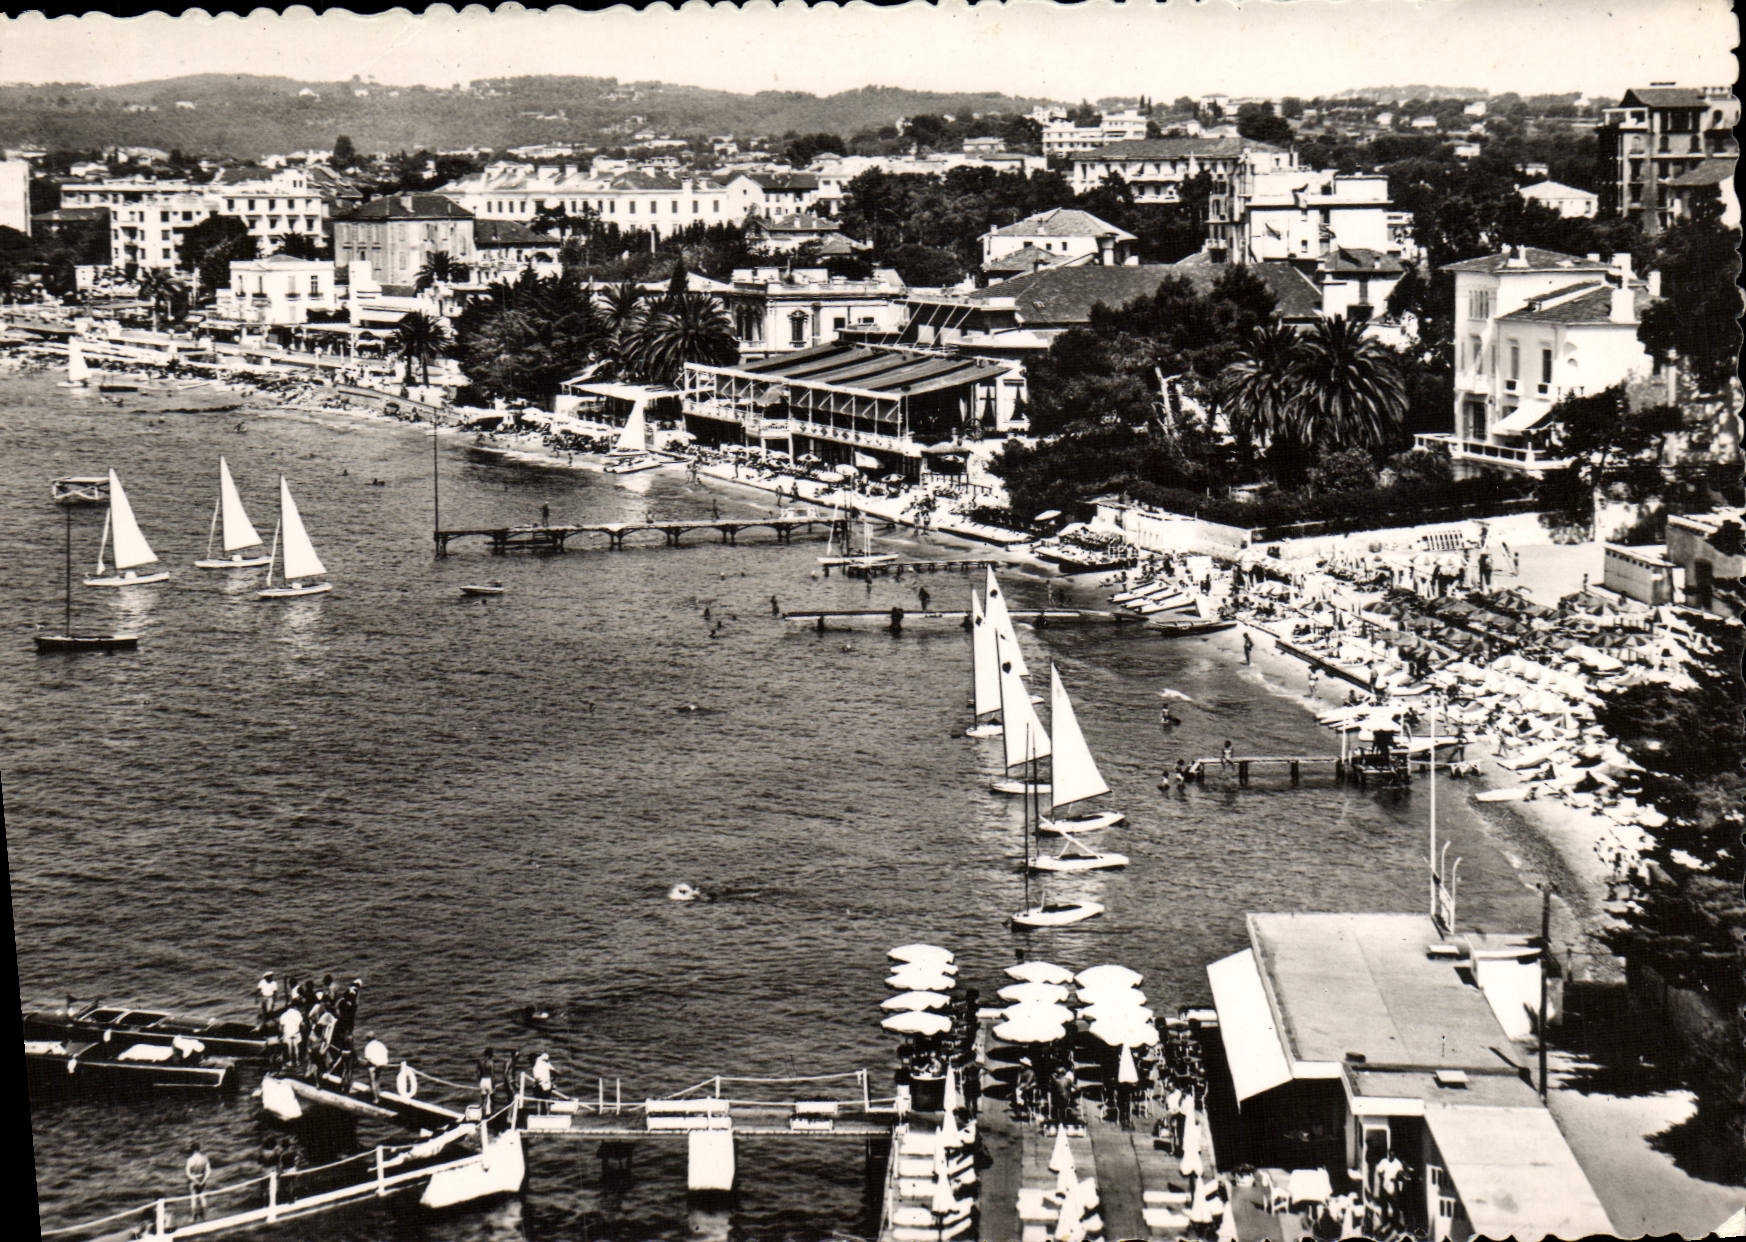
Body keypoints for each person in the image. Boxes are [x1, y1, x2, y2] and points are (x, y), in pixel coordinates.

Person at [184, 1142, 210, 1223]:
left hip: (193, 1180)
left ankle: (193, 1218)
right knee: (202, 1197)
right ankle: (205, 1216)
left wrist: (195, 1181)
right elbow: (208, 1171)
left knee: (193, 1199)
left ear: (192, 1150)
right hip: (202, 1179)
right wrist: (203, 1180)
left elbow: (188, 1173)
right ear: (199, 1149)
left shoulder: (190, 1160)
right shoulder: (204, 1158)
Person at [361, 1032, 390, 1102]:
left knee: (373, 1081)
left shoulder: (368, 1046)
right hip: (381, 1064)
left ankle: (376, 1098)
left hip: (373, 1065)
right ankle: (378, 1094)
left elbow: (368, 1058)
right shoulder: (380, 1044)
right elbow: (386, 1052)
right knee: (377, 1080)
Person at [279, 1003, 304, 1074]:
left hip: (287, 1033)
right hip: (296, 1033)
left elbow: (281, 1027)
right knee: (296, 1047)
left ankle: (290, 1061)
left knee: (289, 1047)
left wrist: (282, 1034)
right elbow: (302, 1024)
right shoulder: (298, 1013)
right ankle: (297, 1061)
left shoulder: (283, 1015)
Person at [477, 1048, 496, 1117]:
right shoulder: (491, 1062)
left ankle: (483, 1115)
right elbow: (492, 1074)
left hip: (482, 1080)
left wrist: (480, 1081)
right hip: (489, 1080)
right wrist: (493, 1084)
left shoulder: (480, 1062)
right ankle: (492, 1115)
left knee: (483, 1100)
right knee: (492, 1099)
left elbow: (478, 1073)